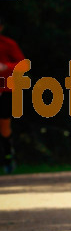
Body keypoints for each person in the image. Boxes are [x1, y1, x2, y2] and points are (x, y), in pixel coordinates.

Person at [0, 16, 25, 174]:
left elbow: (22, 64)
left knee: (4, 125)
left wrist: (5, 67)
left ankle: (8, 157)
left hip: (5, 89)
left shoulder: (8, 44)